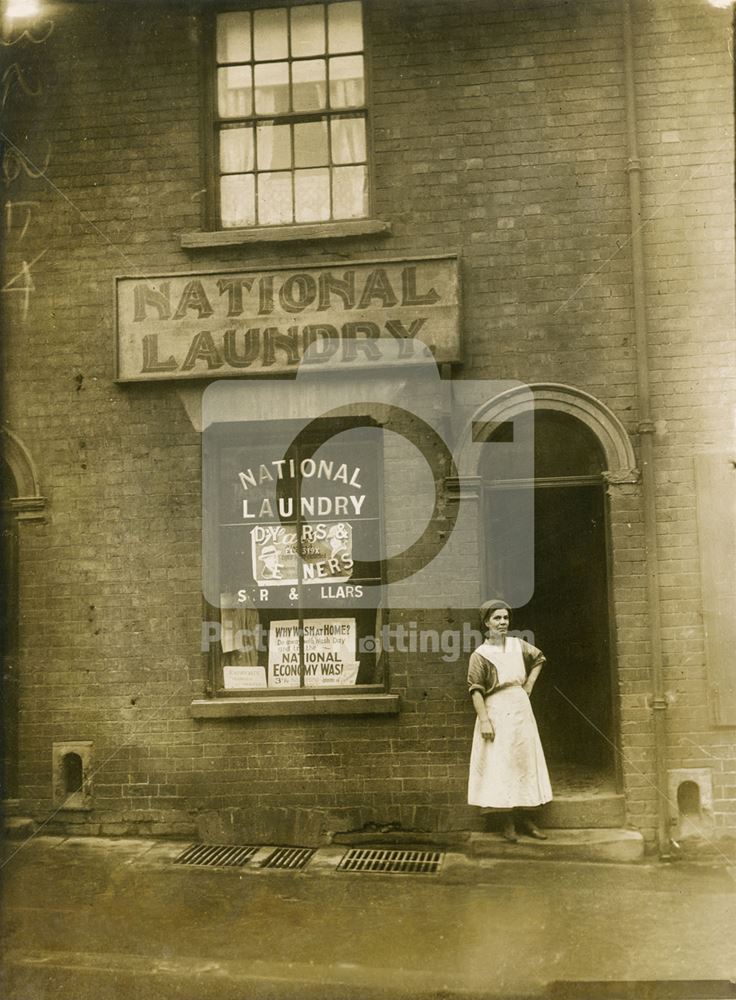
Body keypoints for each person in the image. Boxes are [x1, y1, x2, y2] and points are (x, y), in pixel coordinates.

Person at [467, 599, 552, 842]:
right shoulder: (480, 655)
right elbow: (476, 690)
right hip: (496, 711)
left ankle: (527, 819)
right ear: (486, 622)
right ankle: (507, 822)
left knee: (523, 761)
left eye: (505, 618)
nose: (503, 622)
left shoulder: (518, 645)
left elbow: (539, 659)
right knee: (501, 765)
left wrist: (529, 685)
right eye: (497, 618)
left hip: (520, 709)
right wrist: (484, 720)